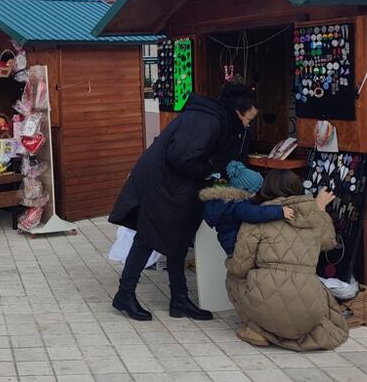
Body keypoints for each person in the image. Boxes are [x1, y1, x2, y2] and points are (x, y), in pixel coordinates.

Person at [108, 81, 259, 322]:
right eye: (247, 119)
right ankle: (124, 294)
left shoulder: (212, 118)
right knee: (148, 237)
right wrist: (210, 171)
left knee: (177, 239)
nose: (247, 125)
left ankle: (179, 299)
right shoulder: (208, 121)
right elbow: (181, 156)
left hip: (175, 185)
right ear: (237, 111)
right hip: (162, 185)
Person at [226, 170, 347, 351]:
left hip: (266, 300)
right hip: (309, 308)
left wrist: (228, 262)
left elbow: (239, 267)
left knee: (233, 275)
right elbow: (328, 242)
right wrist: (319, 209)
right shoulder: (313, 217)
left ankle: (257, 329)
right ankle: (287, 327)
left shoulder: (257, 217)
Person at [199, 161, 294, 256]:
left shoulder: (230, 202)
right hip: (235, 245)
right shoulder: (238, 206)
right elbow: (255, 214)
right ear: (248, 191)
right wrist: (280, 211)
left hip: (230, 241)